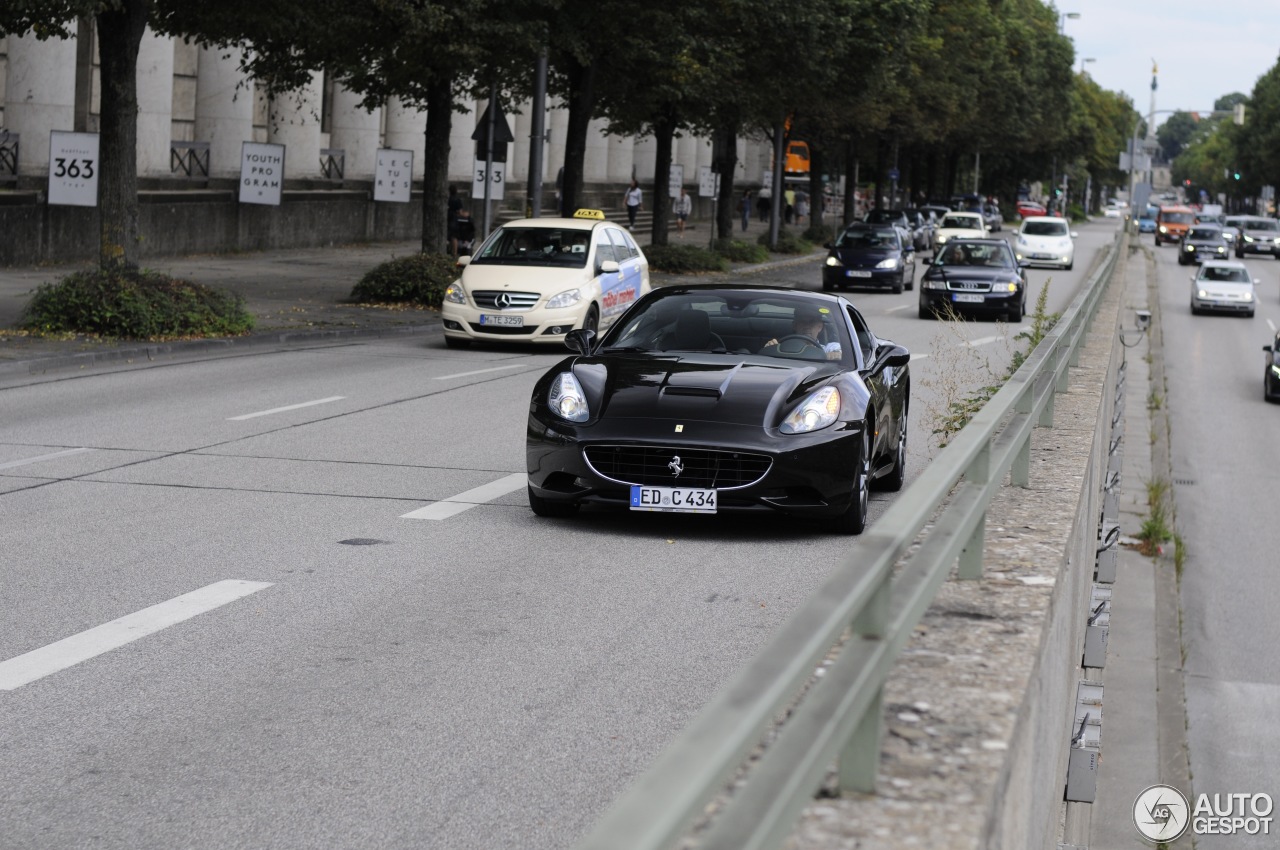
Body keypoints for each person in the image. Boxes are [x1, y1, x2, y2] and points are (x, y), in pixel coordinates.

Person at [760, 305, 841, 360]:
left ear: (820, 327)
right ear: (794, 325)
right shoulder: (779, 349)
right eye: (802, 322)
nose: (807, 326)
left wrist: (836, 355)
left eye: (812, 322)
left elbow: (843, 353)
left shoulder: (828, 349)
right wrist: (769, 349)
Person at [446, 185, 463, 257]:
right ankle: (454, 253)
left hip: (448, 218)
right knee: (454, 237)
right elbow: (460, 212)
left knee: (449, 236)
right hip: (454, 219)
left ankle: (449, 250)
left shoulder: (448, 199)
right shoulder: (458, 200)